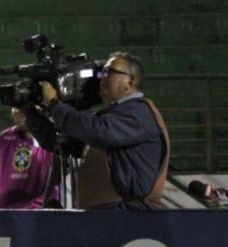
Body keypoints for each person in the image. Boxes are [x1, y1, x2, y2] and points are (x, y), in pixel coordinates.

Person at [24, 52, 170, 210]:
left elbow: (99, 132)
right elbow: (59, 141)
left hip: (131, 217)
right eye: (101, 73)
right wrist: (29, 112)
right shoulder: (109, 118)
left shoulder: (140, 113)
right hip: (104, 216)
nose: (101, 78)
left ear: (131, 81)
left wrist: (54, 105)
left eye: (108, 72)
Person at [0, 107, 56, 209]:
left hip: (39, 219)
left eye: (24, 106)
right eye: (15, 106)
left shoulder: (52, 140)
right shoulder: (1, 139)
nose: (18, 111)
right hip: (3, 218)